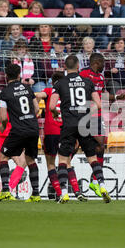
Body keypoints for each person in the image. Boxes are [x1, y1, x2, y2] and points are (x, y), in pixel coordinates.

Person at [49, 55, 111, 203]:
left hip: (68, 124)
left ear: (65, 67)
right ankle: (102, 185)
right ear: (78, 67)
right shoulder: (88, 82)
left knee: (63, 159)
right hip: (85, 123)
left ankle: (64, 192)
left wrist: (55, 113)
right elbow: (99, 104)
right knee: (92, 158)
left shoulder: (59, 83)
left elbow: (52, 106)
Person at [79, 53, 125, 198]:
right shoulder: (83, 74)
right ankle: (64, 174)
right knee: (74, 147)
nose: (104, 66)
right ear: (97, 62)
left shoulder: (101, 78)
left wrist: (118, 97)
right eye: (103, 63)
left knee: (101, 145)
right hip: (83, 114)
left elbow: (102, 95)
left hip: (97, 115)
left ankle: (95, 180)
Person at [35, 71, 87, 202]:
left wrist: (36, 109)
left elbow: (37, 95)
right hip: (65, 130)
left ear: (52, 82)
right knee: (67, 162)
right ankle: (76, 191)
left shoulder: (49, 90)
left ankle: (60, 193)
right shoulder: (68, 91)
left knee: (51, 164)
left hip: (51, 131)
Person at [0, 63, 41, 202]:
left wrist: (3, 127)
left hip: (18, 130)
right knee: (30, 160)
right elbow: (37, 109)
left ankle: (5, 190)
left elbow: (3, 117)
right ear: (18, 75)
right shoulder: (28, 88)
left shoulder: (4, 93)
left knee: (3, 157)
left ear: (6, 76)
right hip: (33, 129)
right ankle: (36, 194)